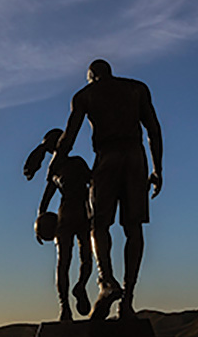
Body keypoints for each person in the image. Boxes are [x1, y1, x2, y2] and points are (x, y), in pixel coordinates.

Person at [49, 59, 163, 319]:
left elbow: (69, 136)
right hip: (136, 158)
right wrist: (158, 168)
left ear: (91, 76)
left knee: (98, 224)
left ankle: (106, 280)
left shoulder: (85, 95)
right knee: (133, 228)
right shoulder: (137, 88)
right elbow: (153, 130)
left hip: (107, 156)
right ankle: (127, 301)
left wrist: (54, 164)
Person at [26, 127, 94, 321]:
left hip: (80, 214)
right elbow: (45, 200)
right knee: (66, 262)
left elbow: (92, 184)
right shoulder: (57, 169)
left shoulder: (73, 164)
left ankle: (79, 287)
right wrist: (39, 225)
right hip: (70, 216)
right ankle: (65, 306)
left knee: (83, 258)